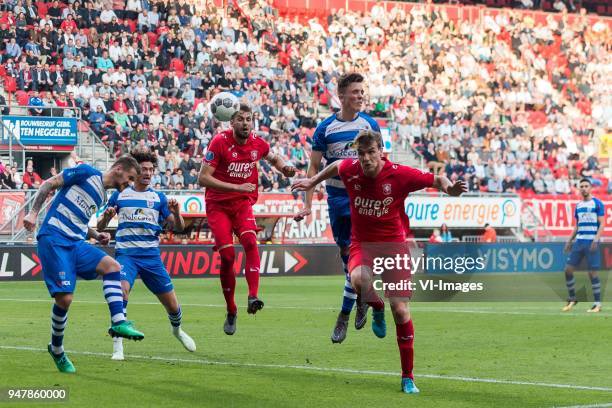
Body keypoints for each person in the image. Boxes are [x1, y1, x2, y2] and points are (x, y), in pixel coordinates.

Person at [292, 130, 466, 394]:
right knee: (359, 279)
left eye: (371, 152)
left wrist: (450, 189)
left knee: (402, 312)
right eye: (361, 154)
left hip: (394, 247)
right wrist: (311, 181)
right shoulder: (351, 169)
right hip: (363, 244)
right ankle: (376, 305)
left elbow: (435, 179)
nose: (366, 159)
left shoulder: (399, 174)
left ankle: (407, 376)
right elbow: (336, 165)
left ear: (381, 151)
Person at [22, 157, 145, 373]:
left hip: (76, 243)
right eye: (130, 178)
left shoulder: (102, 196)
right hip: (54, 238)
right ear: (118, 169)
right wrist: (33, 212)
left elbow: (79, 221)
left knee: (113, 267)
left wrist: (96, 234)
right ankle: (57, 349)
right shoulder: (86, 172)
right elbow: (48, 184)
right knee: (65, 299)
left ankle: (118, 322)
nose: (130, 183)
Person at [294, 72, 380, 344]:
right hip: (337, 198)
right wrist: (307, 205)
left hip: (363, 200)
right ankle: (362, 296)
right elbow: (313, 169)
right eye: (354, 92)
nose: (360, 96)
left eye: (362, 92)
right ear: (341, 96)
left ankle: (343, 314)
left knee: (359, 259)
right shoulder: (325, 129)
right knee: (347, 259)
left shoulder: (370, 125)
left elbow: (380, 163)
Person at [198, 103, 296, 335]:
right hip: (218, 205)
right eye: (240, 119)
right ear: (231, 122)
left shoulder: (257, 143)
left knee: (251, 243)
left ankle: (253, 296)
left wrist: (286, 168)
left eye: (248, 119)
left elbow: (273, 158)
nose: (245, 123)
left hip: (242, 203)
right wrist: (237, 185)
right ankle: (231, 309)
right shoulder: (219, 142)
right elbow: (203, 178)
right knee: (228, 255)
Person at [97, 149, 196, 361]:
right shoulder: (120, 195)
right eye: (144, 169)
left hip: (151, 257)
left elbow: (178, 227)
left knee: (172, 305)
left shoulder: (159, 198)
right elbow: (100, 226)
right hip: (126, 256)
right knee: (120, 291)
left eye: (151, 169)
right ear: (135, 171)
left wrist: (177, 212)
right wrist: (106, 218)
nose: (148, 173)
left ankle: (177, 331)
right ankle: (118, 346)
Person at [562, 178, 605, 313]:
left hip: (591, 242)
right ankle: (572, 299)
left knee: (592, 273)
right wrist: (569, 241)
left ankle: (597, 304)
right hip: (579, 242)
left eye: (586, 186)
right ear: (579, 189)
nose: (584, 188)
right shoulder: (578, 206)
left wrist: (596, 239)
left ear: (590, 188)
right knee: (568, 270)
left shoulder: (597, 203)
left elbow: (602, 223)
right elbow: (577, 226)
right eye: (582, 186)